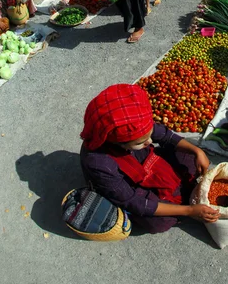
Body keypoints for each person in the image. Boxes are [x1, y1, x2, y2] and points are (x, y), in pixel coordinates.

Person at [80, 84, 219, 234]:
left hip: (147, 160)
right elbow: (132, 201)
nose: (149, 142)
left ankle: (178, 198)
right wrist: (189, 210)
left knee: (190, 159)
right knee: (157, 223)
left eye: (149, 135)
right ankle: (178, 204)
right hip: (131, 184)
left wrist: (197, 151)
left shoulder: (136, 120)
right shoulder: (100, 164)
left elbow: (165, 136)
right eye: (141, 142)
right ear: (119, 143)